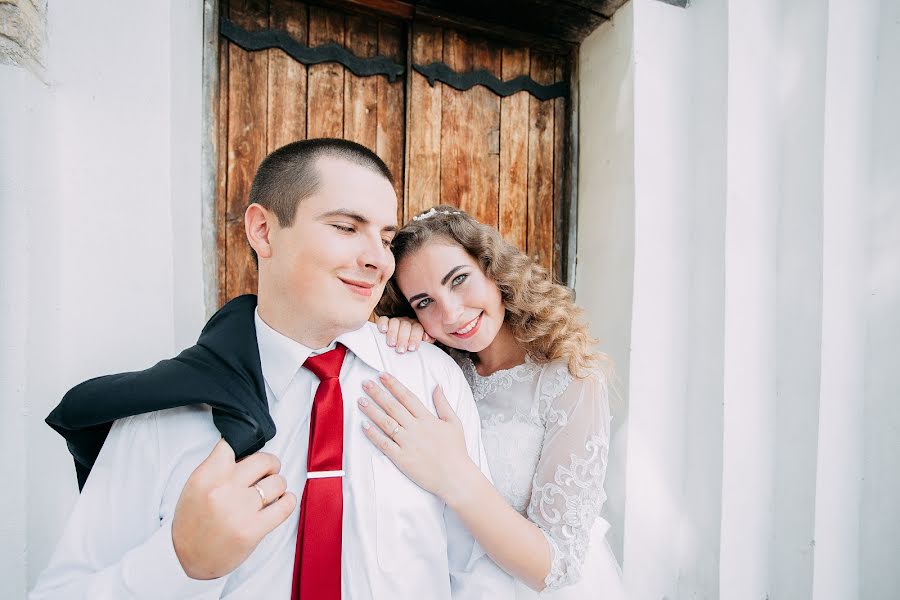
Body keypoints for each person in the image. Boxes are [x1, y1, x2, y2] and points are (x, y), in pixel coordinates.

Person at [30, 141, 513, 599]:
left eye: (385, 238)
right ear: (263, 230)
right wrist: (178, 562)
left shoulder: (430, 380)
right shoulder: (165, 411)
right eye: (346, 227)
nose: (377, 260)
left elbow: (476, 567)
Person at [358, 206, 627, 599]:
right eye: (424, 302)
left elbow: (557, 568)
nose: (451, 313)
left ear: (494, 269)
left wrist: (455, 474)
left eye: (459, 279)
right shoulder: (436, 364)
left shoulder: (568, 379)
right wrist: (404, 341)